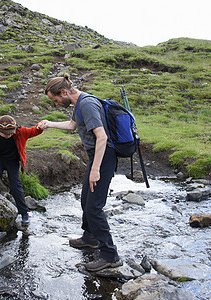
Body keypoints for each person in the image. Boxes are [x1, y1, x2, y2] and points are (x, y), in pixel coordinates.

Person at [38, 74, 122, 272]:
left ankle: (110, 256)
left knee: (94, 208)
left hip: (104, 156)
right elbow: (72, 125)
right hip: (96, 156)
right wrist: (49, 123)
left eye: (56, 99)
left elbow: (102, 137)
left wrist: (95, 170)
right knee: (86, 199)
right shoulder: (78, 104)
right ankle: (90, 238)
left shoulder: (87, 104)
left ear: (64, 92)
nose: (57, 103)